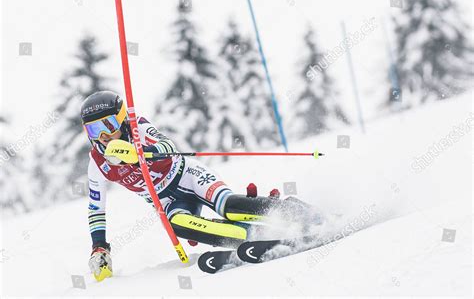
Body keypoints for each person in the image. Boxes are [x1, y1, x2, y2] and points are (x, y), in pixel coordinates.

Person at [82, 91, 319, 281]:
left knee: (229, 206)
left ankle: (294, 212)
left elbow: (167, 146)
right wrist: (100, 248)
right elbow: (96, 209)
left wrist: (140, 153)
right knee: (179, 226)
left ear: (122, 119)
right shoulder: (97, 164)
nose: (103, 135)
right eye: (94, 129)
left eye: (109, 125)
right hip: (168, 201)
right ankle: (255, 236)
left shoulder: (137, 128)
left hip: (188, 176)